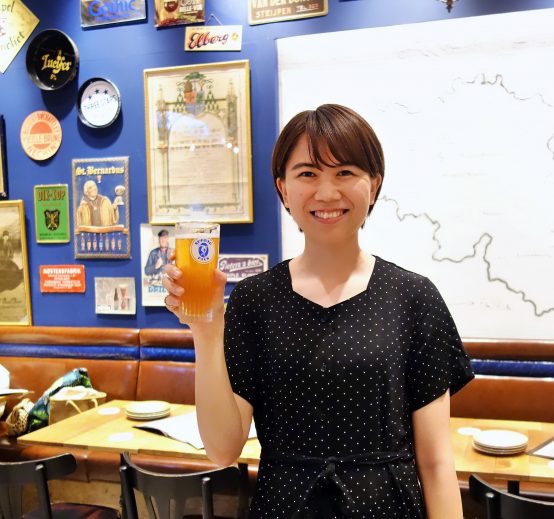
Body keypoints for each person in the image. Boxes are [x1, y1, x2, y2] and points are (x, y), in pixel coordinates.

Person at [163, 104, 474, 518]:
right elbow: (222, 450)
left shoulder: (414, 297)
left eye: (344, 172)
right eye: (308, 174)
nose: (327, 193)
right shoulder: (255, 300)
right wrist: (206, 330)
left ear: (374, 185)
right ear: (283, 188)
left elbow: (435, 464)